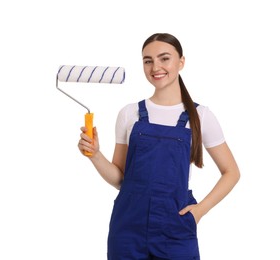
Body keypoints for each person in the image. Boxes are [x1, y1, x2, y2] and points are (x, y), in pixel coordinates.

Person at [78, 33, 240, 260]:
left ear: (181, 62)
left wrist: (200, 211)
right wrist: (95, 155)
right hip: (128, 226)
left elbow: (231, 172)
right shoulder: (129, 114)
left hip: (176, 227)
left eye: (164, 58)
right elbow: (120, 179)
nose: (156, 67)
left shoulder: (200, 116)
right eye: (148, 60)